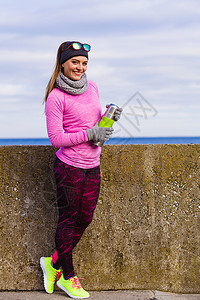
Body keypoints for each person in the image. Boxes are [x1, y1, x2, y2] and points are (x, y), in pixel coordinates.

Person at [40, 41, 122, 299]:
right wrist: (91, 132)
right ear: (63, 63)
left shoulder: (93, 87)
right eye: (75, 62)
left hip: (92, 165)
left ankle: (52, 263)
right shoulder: (56, 97)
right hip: (69, 168)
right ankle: (67, 276)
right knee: (67, 221)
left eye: (84, 63)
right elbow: (56, 138)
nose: (80, 67)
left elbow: (93, 125)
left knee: (85, 219)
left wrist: (106, 122)